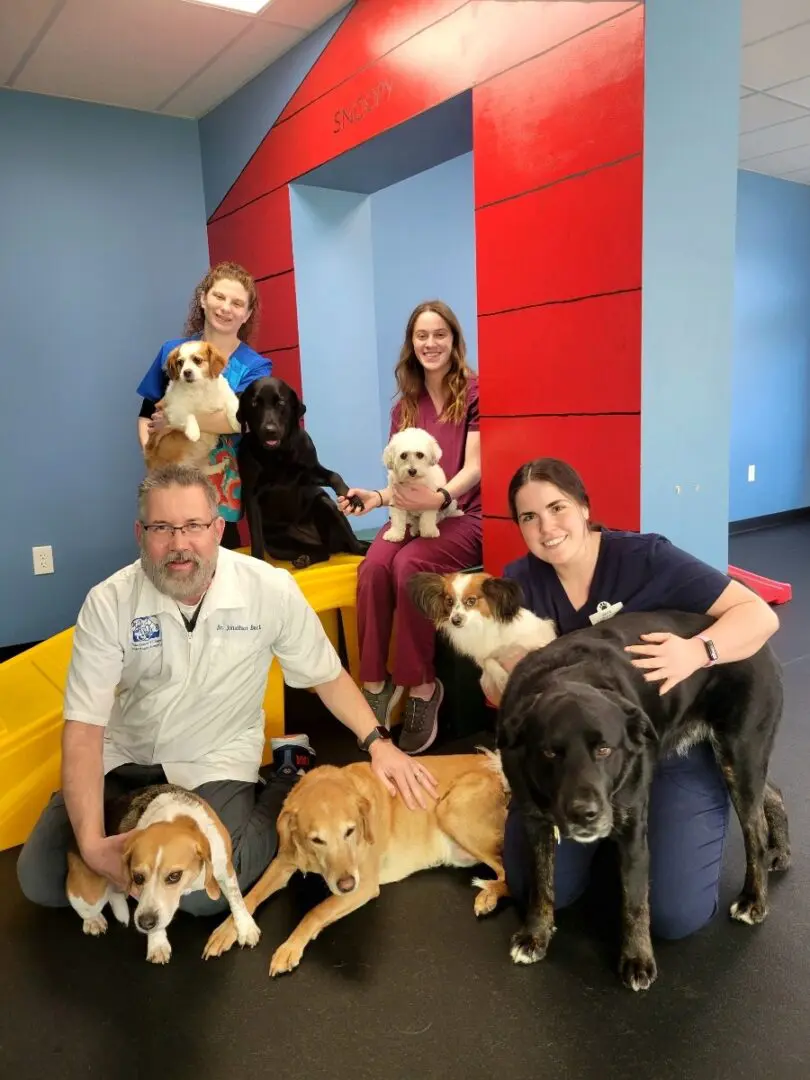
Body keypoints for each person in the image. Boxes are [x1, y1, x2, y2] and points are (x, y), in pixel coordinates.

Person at [16, 465, 437, 916]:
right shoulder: (108, 602)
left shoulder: (269, 589)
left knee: (206, 895)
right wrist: (93, 843)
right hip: (126, 758)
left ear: (218, 529)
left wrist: (379, 743)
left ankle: (286, 776)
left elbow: (326, 675)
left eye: (194, 525)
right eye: (163, 528)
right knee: (40, 879)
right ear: (141, 533)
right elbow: (83, 727)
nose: (180, 544)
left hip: (212, 760)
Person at [485, 457, 780, 941]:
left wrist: (697, 652)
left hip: (682, 712)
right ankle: (608, 819)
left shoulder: (646, 558)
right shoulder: (522, 582)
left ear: (584, 507)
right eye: (529, 517)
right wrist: (499, 672)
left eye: (557, 507)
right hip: (584, 750)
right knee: (536, 888)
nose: (547, 527)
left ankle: (754, 800)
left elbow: (760, 618)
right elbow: (501, 687)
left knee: (674, 916)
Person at [338, 301, 482, 756]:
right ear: (411, 344)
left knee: (411, 567)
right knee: (375, 566)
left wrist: (440, 499)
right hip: (409, 512)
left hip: (464, 515)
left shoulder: (477, 393)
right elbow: (398, 477)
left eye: (440, 334)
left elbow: (478, 466)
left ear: (454, 340)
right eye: (422, 336)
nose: (431, 343)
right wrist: (375, 498)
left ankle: (422, 689)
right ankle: (376, 683)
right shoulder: (405, 407)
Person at [136, 261, 269, 549]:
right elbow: (147, 414)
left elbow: (242, 420)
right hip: (171, 473)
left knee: (222, 561)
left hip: (222, 483)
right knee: (169, 553)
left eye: (237, 303)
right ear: (203, 299)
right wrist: (153, 459)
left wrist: (175, 419)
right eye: (219, 297)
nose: (225, 308)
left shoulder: (255, 366)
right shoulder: (172, 352)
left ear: (246, 314)